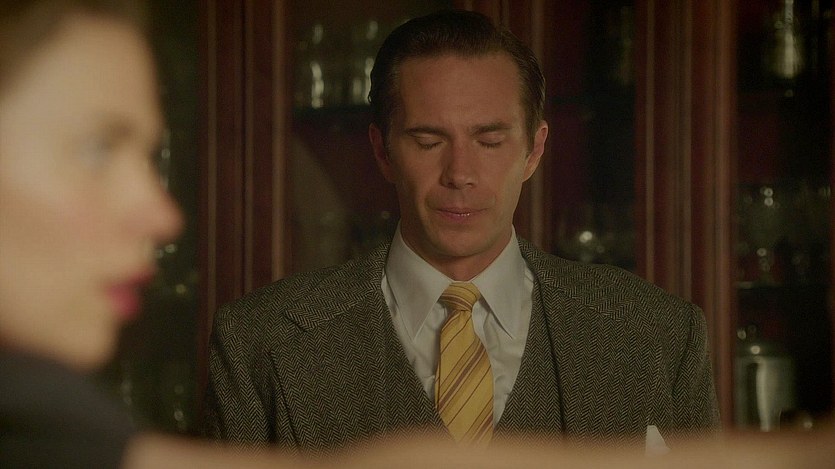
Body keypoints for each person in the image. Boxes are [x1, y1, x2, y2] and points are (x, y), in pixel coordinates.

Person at [203, 9, 719, 453]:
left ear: (534, 150)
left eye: (489, 141)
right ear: (383, 151)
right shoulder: (258, 341)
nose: (460, 174)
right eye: (428, 141)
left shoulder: (659, 334)